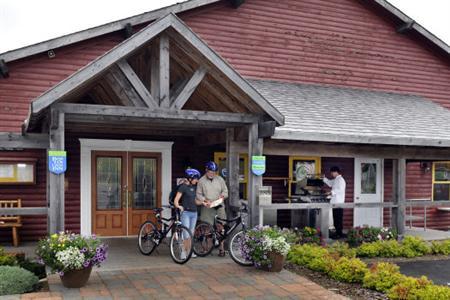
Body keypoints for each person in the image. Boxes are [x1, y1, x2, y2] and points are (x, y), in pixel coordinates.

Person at [196, 161, 229, 257]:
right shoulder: (201, 181)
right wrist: (204, 200)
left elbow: (225, 191)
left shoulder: (220, 179)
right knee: (207, 228)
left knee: (221, 227)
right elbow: (198, 194)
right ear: (206, 170)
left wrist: (222, 196)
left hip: (219, 205)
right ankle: (207, 248)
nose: (212, 174)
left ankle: (221, 249)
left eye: (214, 172)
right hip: (207, 206)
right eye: (210, 172)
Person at [173, 168, 206, 259]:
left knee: (191, 234)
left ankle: (189, 251)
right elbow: (176, 200)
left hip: (194, 213)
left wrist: (203, 203)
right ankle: (183, 252)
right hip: (186, 213)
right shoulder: (183, 187)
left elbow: (196, 202)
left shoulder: (195, 188)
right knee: (185, 234)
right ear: (190, 178)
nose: (197, 180)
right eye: (196, 178)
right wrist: (179, 206)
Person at [323, 166, 346, 239]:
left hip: (339, 203)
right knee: (336, 219)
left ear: (336, 172)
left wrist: (331, 192)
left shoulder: (341, 180)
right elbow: (330, 183)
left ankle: (339, 234)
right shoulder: (336, 179)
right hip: (335, 202)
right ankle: (338, 233)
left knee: (338, 219)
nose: (331, 174)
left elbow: (340, 190)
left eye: (332, 172)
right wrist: (323, 178)